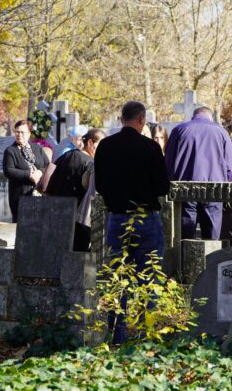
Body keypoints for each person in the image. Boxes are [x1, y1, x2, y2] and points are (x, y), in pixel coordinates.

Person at [94, 101, 170, 344]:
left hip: (117, 217)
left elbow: (101, 185)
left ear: (121, 118)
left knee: (118, 276)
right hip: (146, 217)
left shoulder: (105, 146)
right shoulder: (150, 147)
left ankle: (117, 333)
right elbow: (162, 186)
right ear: (141, 119)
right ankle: (148, 334)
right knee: (150, 275)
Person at [165, 106, 232, 240]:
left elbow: (168, 162)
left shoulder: (179, 130)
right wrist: (226, 186)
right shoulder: (221, 132)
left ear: (193, 117)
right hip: (215, 191)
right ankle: (210, 260)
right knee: (212, 239)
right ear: (210, 118)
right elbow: (230, 167)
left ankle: (184, 260)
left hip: (184, 190)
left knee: (184, 237)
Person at [3, 120, 50, 222]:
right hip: (21, 195)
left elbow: (47, 164)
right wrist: (29, 175)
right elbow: (8, 170)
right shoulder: (10, 150)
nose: (19, 134)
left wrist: (40, 172)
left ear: (29, 134)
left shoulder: (37, 148)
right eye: (17, 132)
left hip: (39, 193)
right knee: (23, 225)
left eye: (22, 132)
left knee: (40, 223)